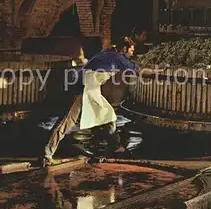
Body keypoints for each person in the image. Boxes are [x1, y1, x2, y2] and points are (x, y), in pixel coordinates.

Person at [41, 37, 141, 167]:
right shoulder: (116, 57)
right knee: (67, 121)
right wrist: (157, 69)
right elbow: (136, 69)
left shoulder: (109, 52)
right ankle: (46, 154)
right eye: (131, 50)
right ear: (124, 49)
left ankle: (111, 148)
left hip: (91, 89)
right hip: (82, 88)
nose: (132, 53)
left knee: (108, 116)